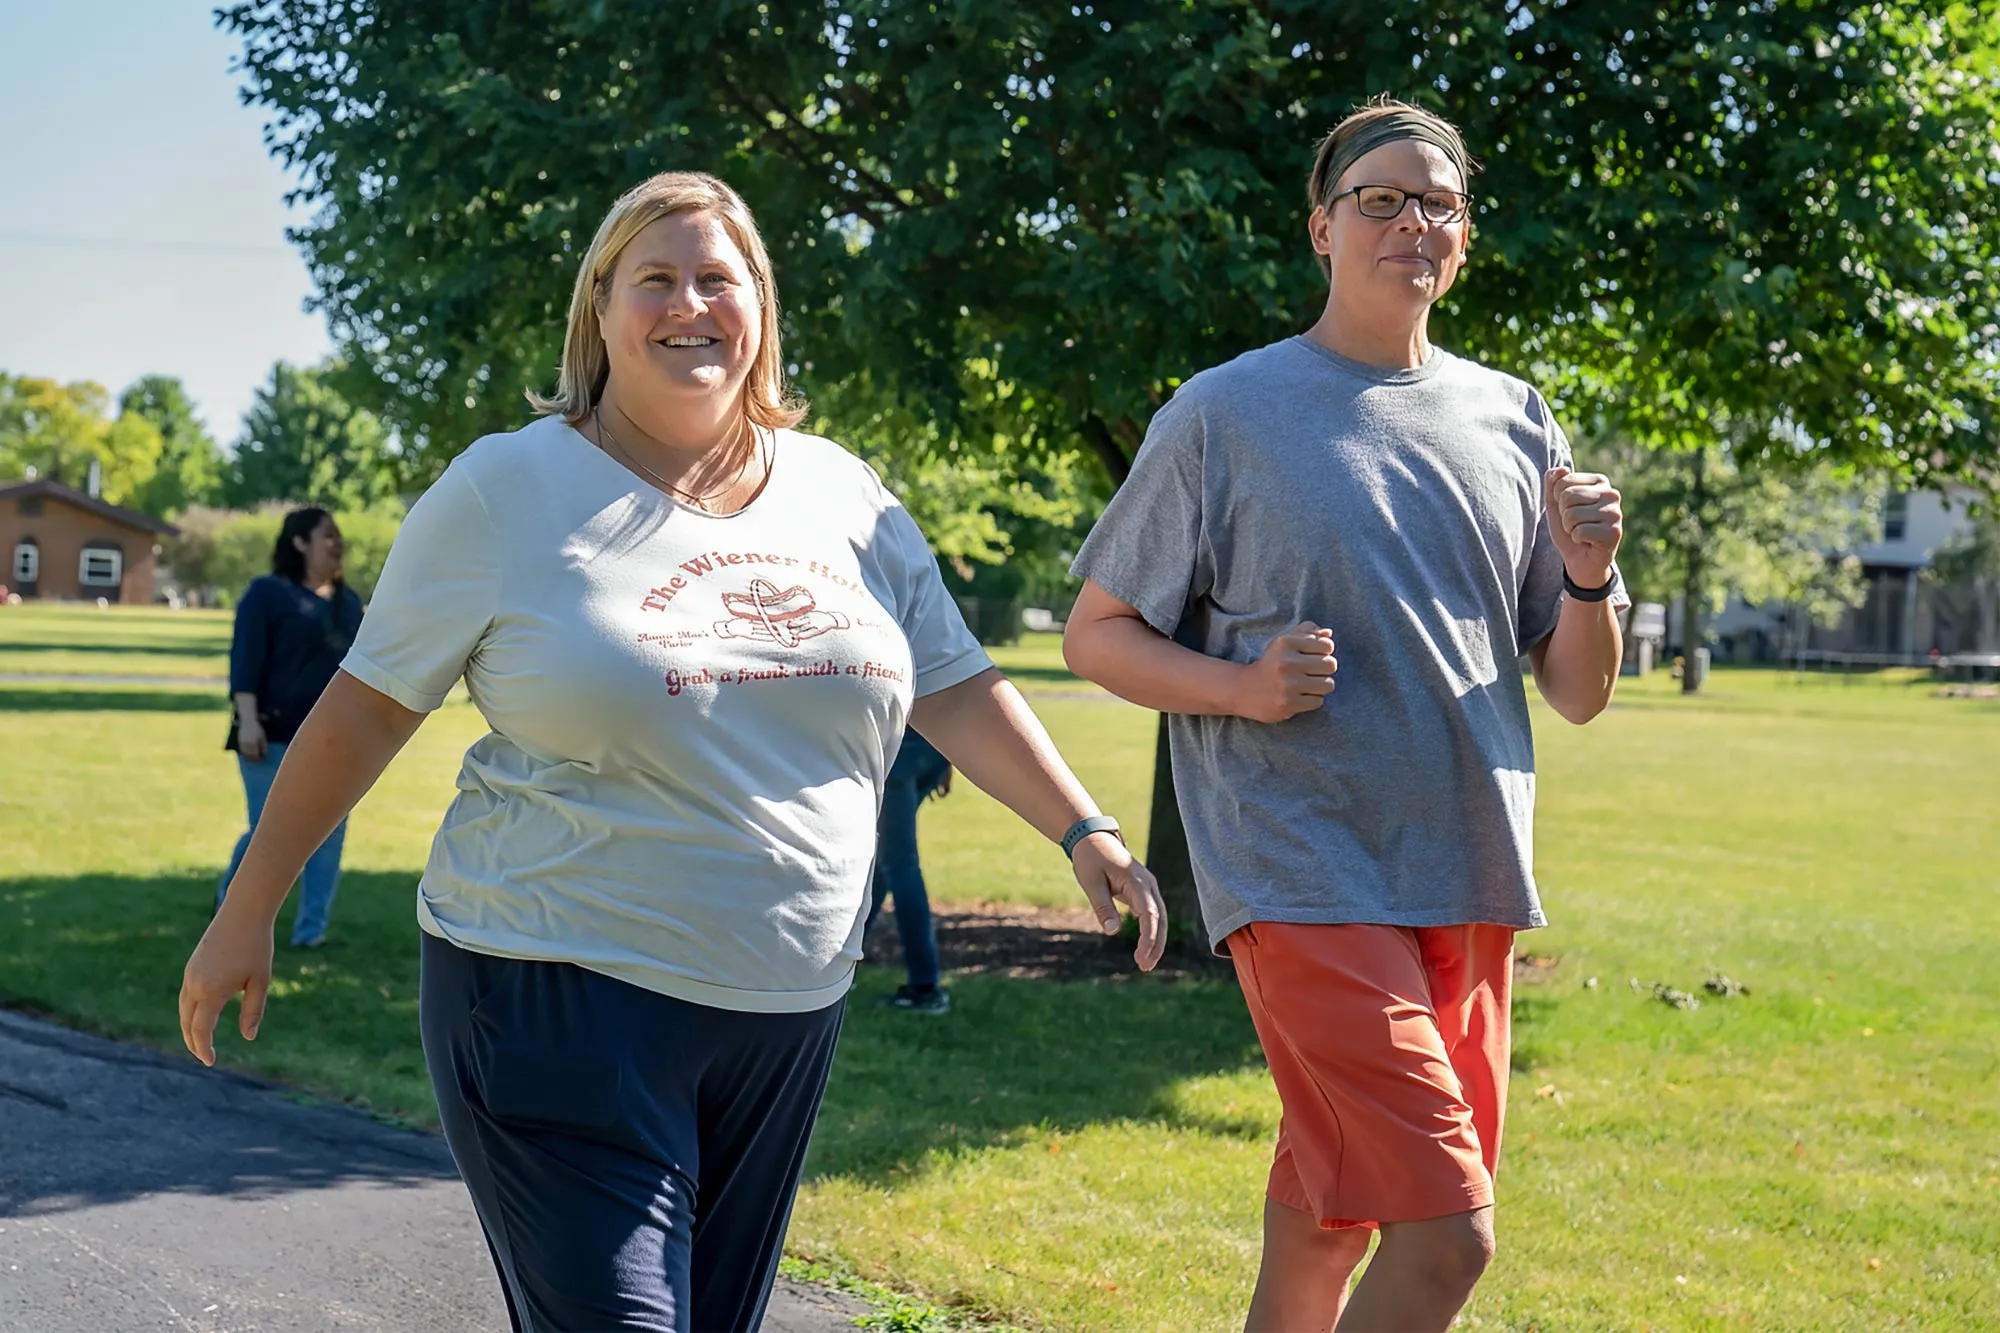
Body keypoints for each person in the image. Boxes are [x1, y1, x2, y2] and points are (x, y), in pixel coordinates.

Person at [178, 171, 1165, 1333]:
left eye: (717, 278)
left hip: (784, 1010)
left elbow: (950, 682)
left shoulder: (843, 494)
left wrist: (1081, 825)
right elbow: (364, 710)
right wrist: (249, 907)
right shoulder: (508, 487)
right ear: (599, 310)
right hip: (552, 991)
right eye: (654, 278)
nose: (687, 304)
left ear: (761, 307)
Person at [1062, 98, 1627, 1333]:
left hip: (1469, 870)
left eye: (1436, 203)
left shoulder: (1513, 417)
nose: (1409, 221)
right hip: (1302, 868)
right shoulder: (1223, 413)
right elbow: (1093, 634)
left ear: (1462, 240)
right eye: (1379, 197)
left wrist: (1586, 576)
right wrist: (1242, 688)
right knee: (1448, 1238)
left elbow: (1578, 687)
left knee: (1328, 1220)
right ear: (1321, 227)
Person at [217, 507, 362, 949]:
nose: (337, 543)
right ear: (300, 542)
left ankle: (310, 933)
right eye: (328, 536)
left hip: (331, 742)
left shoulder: (348, 603)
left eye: (339, 536)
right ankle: (230, 912)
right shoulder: (266, 594)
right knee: (269, 833)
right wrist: (248, 721)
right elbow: (246, 659)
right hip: (271, 735)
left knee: (330, 833)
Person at [866, 728, 954, 1013]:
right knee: (885, 858)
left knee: (898, 863)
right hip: (933, 750)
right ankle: (842, 958)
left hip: (897, 759)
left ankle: (925, 988)